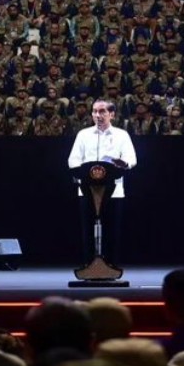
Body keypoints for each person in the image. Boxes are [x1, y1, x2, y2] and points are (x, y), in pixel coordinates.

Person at [67, 98, 137, 271]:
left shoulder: (121, 135)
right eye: (95, 111)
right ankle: (88, 265)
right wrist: (83, 170)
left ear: (112, 114)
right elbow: (73, 160)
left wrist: (122, 163)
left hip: (113, 190)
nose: (97, 115)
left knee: (111, 230)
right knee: (87, 230)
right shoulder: (83, 135)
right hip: (87, 189)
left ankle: (111, 265)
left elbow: (131, 159)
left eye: (102, 111)